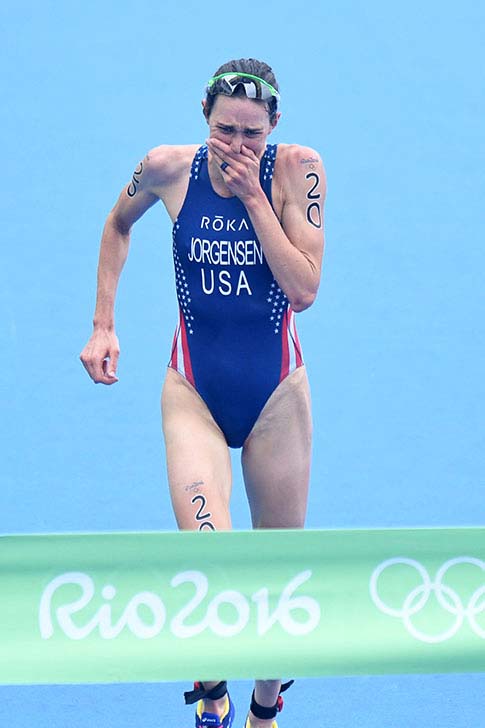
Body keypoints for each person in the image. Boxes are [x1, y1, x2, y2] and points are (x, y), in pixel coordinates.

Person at [80, 58, 326, 728]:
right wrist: (104, 324)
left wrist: (251, 197)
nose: (236, 146)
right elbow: (116, 224)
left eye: (251, 133)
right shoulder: (166, 168)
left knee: (278, 577)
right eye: (224, 130)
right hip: (193, 390)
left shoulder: (296, 171)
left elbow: (303, 288)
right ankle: (211, 684)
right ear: (203, 117)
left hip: (277, 395)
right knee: (212, 557)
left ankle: (264, 707)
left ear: (273, 126)